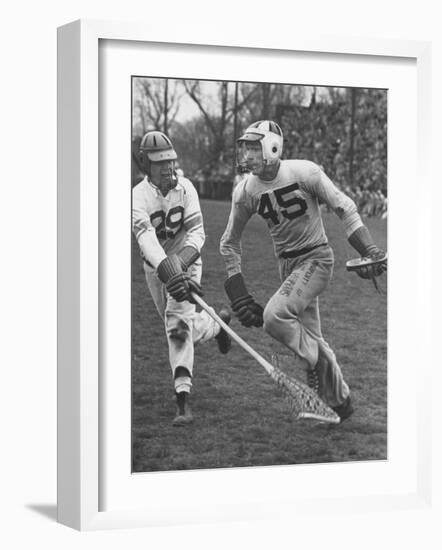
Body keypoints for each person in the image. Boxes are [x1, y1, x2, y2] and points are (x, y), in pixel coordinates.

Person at [220, 120, 386, 421]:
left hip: (317, 259)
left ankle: (312, 366)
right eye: (245, 147)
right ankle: (340, 402)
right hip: (288, 267)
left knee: (274, 316)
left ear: (272, 147)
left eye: (253, 148)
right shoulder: (245, 190)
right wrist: (238, 293)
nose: (247, 154)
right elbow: (229, 243)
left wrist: (369, 249)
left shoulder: (304, 172)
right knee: (313, 336)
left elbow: (344, 207)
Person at [132, 130, 231, 426]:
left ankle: (182, 401)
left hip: (188, 261)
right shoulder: (137, 196)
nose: (168, 168)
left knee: (176, 326)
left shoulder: (187, 188)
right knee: (178, 322)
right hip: (157, 269)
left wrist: (181, 265)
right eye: (160, 163)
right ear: (144, 165)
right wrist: (167, 269)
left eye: (171, 161)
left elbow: (198, 233)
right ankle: (216, 323)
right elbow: (145, 237)